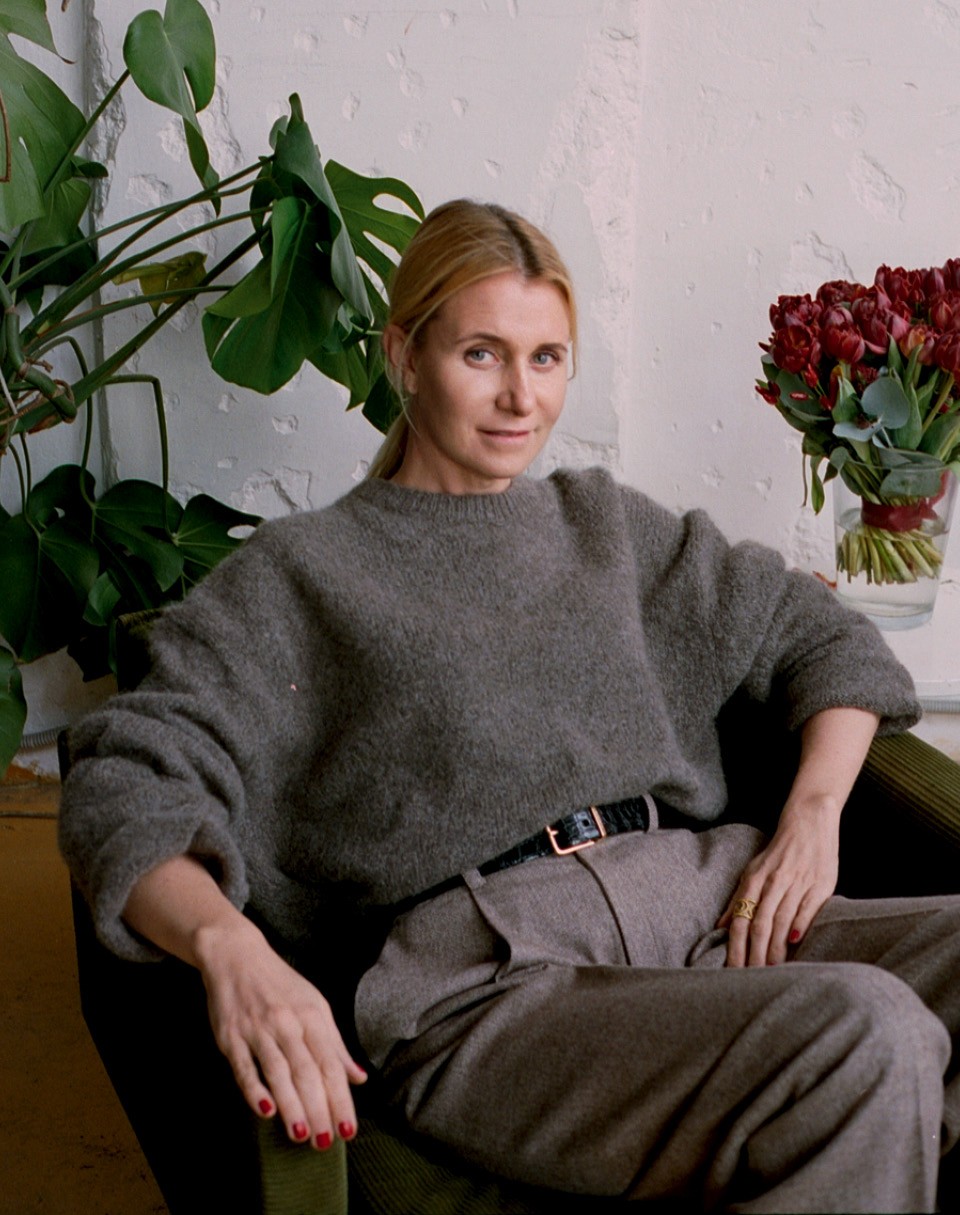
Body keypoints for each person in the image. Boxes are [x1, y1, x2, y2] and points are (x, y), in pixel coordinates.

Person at [59, 199, 960, 1213]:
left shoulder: (606, 525)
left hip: (708, 907)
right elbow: (122, 778)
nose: (520, 397)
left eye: (547, 358)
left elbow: (824, 636)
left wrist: (812, 818)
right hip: (489, 982)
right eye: (481, 354)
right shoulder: (299, 576)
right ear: (405, 356)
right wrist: (230, 947)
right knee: (869, 1030)